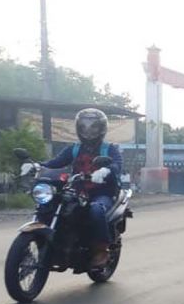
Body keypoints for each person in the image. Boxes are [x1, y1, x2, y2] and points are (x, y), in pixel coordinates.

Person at [26, 108, 122, 268]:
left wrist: (106, 170)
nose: (88, 131)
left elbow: (117, 165)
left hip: (102, 192)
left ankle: (100, 250)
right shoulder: (74, 148)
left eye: (93, 127)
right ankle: (51, 242)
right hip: (77, 189)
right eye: (84, 126)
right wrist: (36, 165)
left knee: (96, 210)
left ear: (102, 129)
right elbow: (55, 162)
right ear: (78, 128)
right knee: (51, 204)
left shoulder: (110, 149)